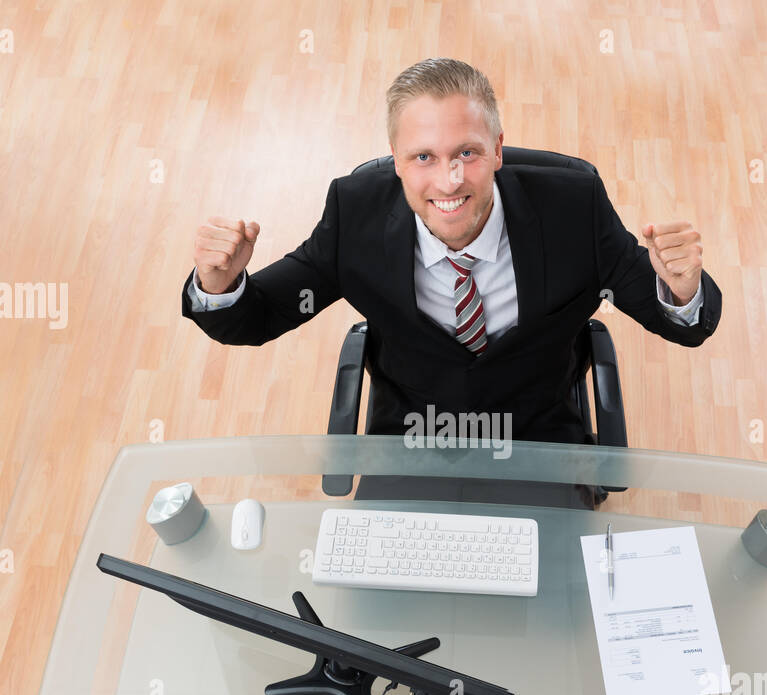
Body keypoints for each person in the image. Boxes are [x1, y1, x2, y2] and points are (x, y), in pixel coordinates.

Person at [182, 58, 722, 506]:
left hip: (536, 430)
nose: (449, 181)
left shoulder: (573, 208)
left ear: (499, 150)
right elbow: (258, 317)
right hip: (413, 431)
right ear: (396, 161)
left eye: (467, 152)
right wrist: (220, 283)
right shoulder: (356, 215)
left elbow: (680, 322)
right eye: (424, 158)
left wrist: (680, 289)